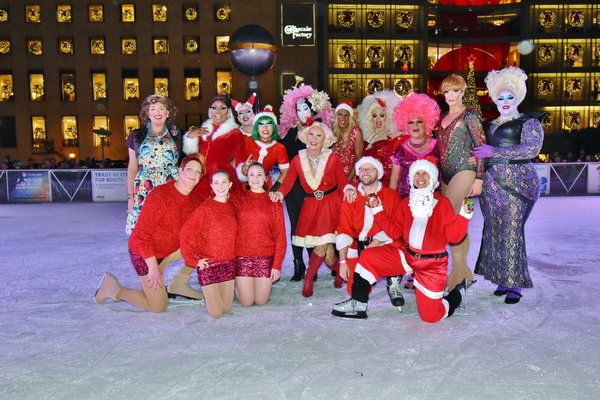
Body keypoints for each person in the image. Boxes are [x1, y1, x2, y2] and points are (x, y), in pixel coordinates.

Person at [332, 159, 474, 322]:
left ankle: (457, 294)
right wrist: (378, 210)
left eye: (425, 173)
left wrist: (464, 216)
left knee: (431, 317)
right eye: (417, 174)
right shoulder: (407, 202)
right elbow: (395, 231)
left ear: (432, 179)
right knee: (368, 256)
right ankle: (358, 303)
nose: (420, 177)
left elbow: (454, 237)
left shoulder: (442, 204)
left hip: (432, 265)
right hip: (408, 256)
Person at [94, 153, 206, 312]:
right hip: (144, 254)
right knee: (158, 306)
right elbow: (141, 237)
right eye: (189, 169)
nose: (193, 174)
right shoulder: (161, 195)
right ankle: (114, 289)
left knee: (203, 241)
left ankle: (179, 283)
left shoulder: (195, 200)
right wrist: (153, 269)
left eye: (198, 172)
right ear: (180, 170)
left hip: (167, 253)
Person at [473, 66, 545, 305]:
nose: (505, 102)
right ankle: (502, 279)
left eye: (509, 97)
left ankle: (514, 284)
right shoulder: (490, 124)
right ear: (494, 99)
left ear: (518, 97)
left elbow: (531, 149)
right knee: (495, 232)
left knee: (512, 231)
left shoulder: (529, 123)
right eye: (500, 98)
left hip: (519, 185)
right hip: (491, 190)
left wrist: (495, 151)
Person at [270, 121, 355, 297]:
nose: (314, 138)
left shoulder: (332, 158)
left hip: (331, 204)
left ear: (325, 140)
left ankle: (308, 279)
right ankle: (338, 269)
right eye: (311, 134)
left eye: (319, 135)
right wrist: (279, 194)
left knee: (322, 245)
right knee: (329, 254)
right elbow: (288, 181)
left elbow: (342, 180)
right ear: (305, 137)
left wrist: (347, 188)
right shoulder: (297, 159)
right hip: (311, 205)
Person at [278, 84, 334, 281]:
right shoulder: (288, 134)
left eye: (306, 108)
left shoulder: (320, 131)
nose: (302, 113)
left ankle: (313, 263)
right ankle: (298, 264)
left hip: (315, 187)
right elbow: (282, 161)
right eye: (298, 109)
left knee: (312, 225)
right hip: (294, 188)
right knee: (295, 225)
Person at [437, 74, 486, 291]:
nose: (450, 95)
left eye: (454, 91)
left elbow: (481, 147)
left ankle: (457, 274)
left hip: (465, 171)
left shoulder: (470, 115)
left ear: (462, 92)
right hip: (445, 175)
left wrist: (479, 178)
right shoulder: (443, 117)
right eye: (446, 91)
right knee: (454, 221)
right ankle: (463, 272)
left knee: (450, 220)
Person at [336, 156, 404, 308]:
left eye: (370, 169)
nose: (365, 172)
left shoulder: (391, 196)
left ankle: (393, 281)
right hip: (358, 247)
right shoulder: (351, 197)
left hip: (383, 244)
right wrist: (342, 262)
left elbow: (396, 226)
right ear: (358, 173)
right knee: (355, 291)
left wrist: (377, 241)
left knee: (398, 244)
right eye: (362, 169)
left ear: (378, 173)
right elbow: (343, 229)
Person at [180, 170, 237, 319]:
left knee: (227, 308)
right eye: (216, 183)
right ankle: (209, 294)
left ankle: (214, 295)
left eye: (224, 182)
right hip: (209, 265)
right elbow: (185, 233)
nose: (220, 186)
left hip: (228, 263)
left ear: (230, 184)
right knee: (217, 313)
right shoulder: (205, 208)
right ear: (211, 186)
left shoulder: (232, 207)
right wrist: (193, 260)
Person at [125, 94, 182, 235]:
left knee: (168, 233)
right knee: (144, 234)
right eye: (153, 108)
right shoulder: (136, 135)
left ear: (168, 113)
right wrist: (131, 198)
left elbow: (185, 161)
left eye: (162, 108)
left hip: (170, 186)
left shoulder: (176, 134)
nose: (157, 112)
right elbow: (132, 168)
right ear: (147, 112)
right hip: (144, 188)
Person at [233, 162, 287, 307]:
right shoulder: (238, 199)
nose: (255, 178)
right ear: (246, 178)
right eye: (251, 174)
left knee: (261, 301)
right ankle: (236, 284)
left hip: (265, 258)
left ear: (265, 178)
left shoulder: (273, 201)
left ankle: (253, 286)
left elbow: (281, 236)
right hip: (243, 257)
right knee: (247, 302)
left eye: (259, 175)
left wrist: (276, 265)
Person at [182, 94, 247, 196]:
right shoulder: (204, 129)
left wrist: (243, 172)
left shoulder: (235, 133)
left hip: (223, 177)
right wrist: (190, 137)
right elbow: (192, 155)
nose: (218, 111)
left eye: (222, 108)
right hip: (202, 176)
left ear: (228, 111)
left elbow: (240, 160)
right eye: (214, 108)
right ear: (210, 111)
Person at [389, 92, 440, 198]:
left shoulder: (437, 146)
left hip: (433, 202)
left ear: (427, 122)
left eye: (419, 121)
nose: (415, 125)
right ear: (405, 125)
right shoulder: (400, 150)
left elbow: (445, 177)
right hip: (406, 204)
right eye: (410, 122)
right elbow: (393, 181)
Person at [357, 90, 403, 187]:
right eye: (374, 116)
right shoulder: (367, 137)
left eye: (382, 115)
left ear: (389, 117)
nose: (378, 120)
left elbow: (396, 172)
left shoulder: (393, 136)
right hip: (366, 186)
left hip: (385, 187)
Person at [240, 105, 289, 190]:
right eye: (261, 124)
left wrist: (274, 191)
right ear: (256, 128)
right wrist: (242, 169)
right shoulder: (246, 141)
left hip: (265, 187)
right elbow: (232, 164)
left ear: (274, 127)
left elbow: (285, 173)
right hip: (242, 186)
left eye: (269, 124)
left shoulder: (279, 148)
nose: (265, 127)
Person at [332, 101, 364, 184]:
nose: (343, 118)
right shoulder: (332, 132)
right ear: (336, 116)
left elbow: (358, 159)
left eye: (347, 115)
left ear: (350, 117)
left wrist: (347, 180)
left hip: (350, 179)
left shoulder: (356, 132)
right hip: (334, 178)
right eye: (340, 114)